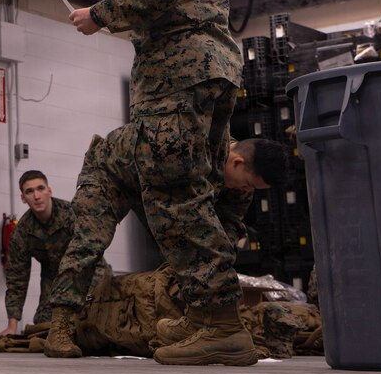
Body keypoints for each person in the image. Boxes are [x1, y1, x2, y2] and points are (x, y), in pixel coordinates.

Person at [57, 0, 249, 365]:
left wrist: (98, 14)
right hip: (216, 65)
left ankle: (218, 323)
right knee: (200, 191)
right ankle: (201, 313)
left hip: (176, 71)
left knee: (174, 198)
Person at [44, 135, 289, 359]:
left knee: (191, 248)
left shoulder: (240, 187)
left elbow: (227, 228)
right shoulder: (192, 148)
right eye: (248, 184)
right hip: (112, 172)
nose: (247, 191)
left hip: (157, 185)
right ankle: (60, 327)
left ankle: (202, 326)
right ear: (237, 162)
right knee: (90, 241)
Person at [0, 171, 86, 337]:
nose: (36, 196)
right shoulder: (21, 233)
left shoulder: (71, 215)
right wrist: (12, 326)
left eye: (40, 189)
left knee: (90, 319)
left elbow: (90, 252)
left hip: (87, 271)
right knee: (43, 326)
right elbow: (17, 279)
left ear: (49, 191)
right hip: (53, 278)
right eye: (29, 191)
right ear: (23, 198)